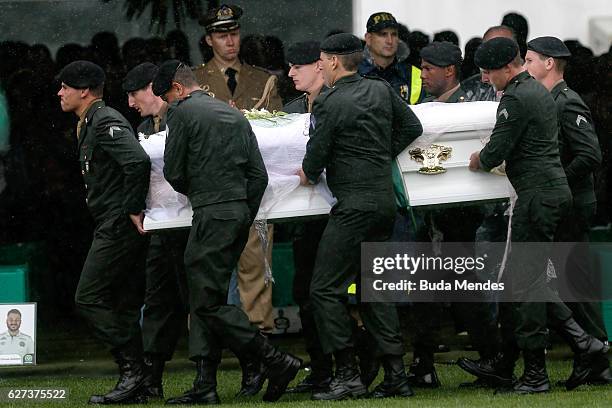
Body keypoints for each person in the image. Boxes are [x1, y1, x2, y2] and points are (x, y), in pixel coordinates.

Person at [152, 60, 301, 405]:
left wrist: (206, 197)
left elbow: (174, 171)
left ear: (177, 89)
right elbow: (259, 176)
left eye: (166, 96)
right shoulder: (233, 115)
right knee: (210, 297)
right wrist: (241, 212)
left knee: (203, 301)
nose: (167, 104)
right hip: (237, 214)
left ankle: (273, 360)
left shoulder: (182, 114)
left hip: (211, 213)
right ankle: (206, 384)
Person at [468, 37, 608, 394]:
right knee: (527, 280)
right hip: (550, 193)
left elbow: (497, 149)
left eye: (488, 73)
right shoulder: (540, 93)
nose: (486, 80)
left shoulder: (517, 97)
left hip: (537, 197)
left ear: (505, 68)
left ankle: (538, 372)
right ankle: (581, 343)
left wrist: (478, 160)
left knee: (529, 282)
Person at [297, 33, 423, 400]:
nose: (319, 66)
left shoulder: (329, 102)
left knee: (323, 289)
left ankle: (349, 372)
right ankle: (395, 374)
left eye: (321, 60)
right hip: (384, 202)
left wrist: (308, 171)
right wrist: (379, 153)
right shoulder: (380, 90)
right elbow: (412, 127)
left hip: (353, 205)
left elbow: (314, 159)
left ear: (335, 62)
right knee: (375, 290)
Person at [57, 60, 151, 404]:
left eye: (65, 86)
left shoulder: (105, 120)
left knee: (88, 297)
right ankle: (138, 380)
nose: (60, 93)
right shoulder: (90, 121)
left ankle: (133, 371)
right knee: (125, 303)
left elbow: (136, 161)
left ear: (84, 90)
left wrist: (132, 206)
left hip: (118, 223)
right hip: (110, 220)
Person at [525, 36, 610, 384]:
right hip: (566, 201)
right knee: (568, 281)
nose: (525, 67)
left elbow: (590, 155)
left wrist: (556, 180)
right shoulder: (548, 101)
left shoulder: (566, 102)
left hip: (572, 203)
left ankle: (596, 355)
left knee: (572, 282)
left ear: (549, 63)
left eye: (530, 60)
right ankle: (593, 356)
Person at [193, 3, 277, 340]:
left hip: (252, 185)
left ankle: (260, 337)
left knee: (255, 264)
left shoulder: (263, 80)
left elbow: (279, 131)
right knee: (210, 268)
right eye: (222, 35)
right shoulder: (195, 80)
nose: (230, 41)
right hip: (211, 187)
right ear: (209, 39)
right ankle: (208, 339)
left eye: (234, 33)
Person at [122, 62, 191, 399]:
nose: (132, 103)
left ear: (152, 88)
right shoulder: (143, 126)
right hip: (161, 224)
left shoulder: (185, 116)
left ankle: (249, 363)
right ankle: (152, 377)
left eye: (135, 94)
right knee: (158, 301)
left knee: (201, 300)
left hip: (194, 223)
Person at [281, 40, 332, 394]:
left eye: (297, 66)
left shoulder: (339, 101)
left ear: (319, 65)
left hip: (336, 212)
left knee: (338, 293)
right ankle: (321, 365)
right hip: (304, 216)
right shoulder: (291, 109)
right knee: (306, 293)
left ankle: (349, 364)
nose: (289, 73)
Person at [358, 11, 424, 105]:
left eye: (394, 34)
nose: (389, 41)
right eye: (383, 34)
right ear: (368, 38)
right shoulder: (352, 72)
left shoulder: (415, 75)